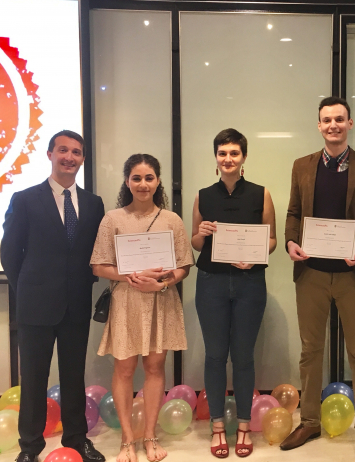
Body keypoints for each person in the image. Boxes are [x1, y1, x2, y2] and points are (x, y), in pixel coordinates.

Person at [281, 96, 355, 462]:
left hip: (351, 273)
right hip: (311, 272)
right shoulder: (302, 166)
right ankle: (309, 420)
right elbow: (294, 212)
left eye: (339, 119)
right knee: (310, 350)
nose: (333, 126)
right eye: (326, 120)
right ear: (318, 125)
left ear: (350, 123)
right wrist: (291, 241)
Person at [1, 130, 106, 462]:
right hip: (35, 306)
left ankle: (77, 439)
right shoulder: (25, 198)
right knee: (33, 378)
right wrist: (28, 289)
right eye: (63, 150)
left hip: (76, 304)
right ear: (49, 154)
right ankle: (30, 447)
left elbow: (96, 253)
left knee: (74, 375)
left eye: (76, 152)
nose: (69, 157)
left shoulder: (93, 203)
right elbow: (9, 253)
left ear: (82, 159)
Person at [90, 154, 193, 462]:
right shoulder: (112, 219)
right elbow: (98, 265)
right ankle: (126, 439)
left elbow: (185, 266)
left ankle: (149, 436)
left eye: (149, 178)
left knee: (154, 368)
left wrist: (162, 283)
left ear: (158, 181)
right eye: (136, 178)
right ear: (127, 182)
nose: (143, 184)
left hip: (160, 300)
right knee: (124, 369)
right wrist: (129, 275)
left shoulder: (171, 220)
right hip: (126, 301)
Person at [191, 128, 277, 459]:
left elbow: (271, 240)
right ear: (216, 158)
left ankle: (242, 426)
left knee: (243, 357)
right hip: (211, 281)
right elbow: (196, 243)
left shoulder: (261, 194)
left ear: (243, 158)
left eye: (234, 153)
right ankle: (216, 427)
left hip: (249, 283)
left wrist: (254, 255)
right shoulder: (203, 195)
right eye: (222, 153)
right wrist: (200, 232)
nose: (228, 159)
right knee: (214, 355)